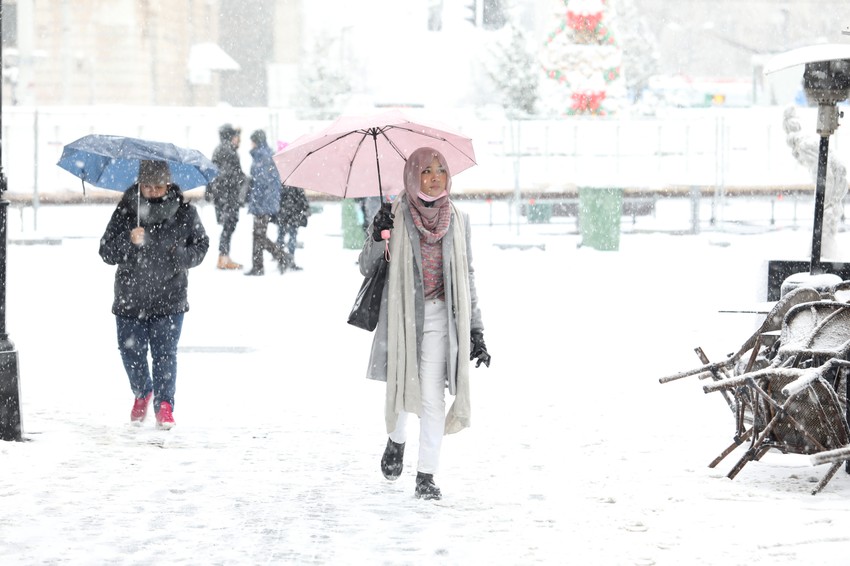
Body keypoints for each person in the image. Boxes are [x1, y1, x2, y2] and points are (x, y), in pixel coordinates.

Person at [358, 146, 491, 501]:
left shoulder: (459, 220)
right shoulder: (395, 215)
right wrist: (377, 234)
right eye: (427, 171)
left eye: (441, 171)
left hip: (440, 316)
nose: (434, 179)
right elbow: (366, 265)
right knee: (404, 388)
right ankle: (396, 439)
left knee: (432, 396)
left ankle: (426, 475)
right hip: (402, 315)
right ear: (413, 175)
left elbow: (468, 275)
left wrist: (476, 329)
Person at [98, 160, 209, 429]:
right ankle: (142, 391)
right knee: (130, 354)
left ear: (168, 185)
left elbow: (201, 246)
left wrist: (182, 256)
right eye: (147, 186)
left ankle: (165, 405)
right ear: (139, 185)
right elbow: (105, 251)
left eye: (158, 186)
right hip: (130, 298)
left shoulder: (185, 213)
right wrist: (128, 239)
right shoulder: (126, 211)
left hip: (170, 297)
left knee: (165, 355)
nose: (152, 191)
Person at [246, 129, 291, 275]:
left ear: (256, 141)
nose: (250, 144)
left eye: (252, 141)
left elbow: (262, 183)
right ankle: (258, 266)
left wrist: (257, 201)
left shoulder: (263, 156)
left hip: (262, 202)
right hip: (263, 201)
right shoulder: (264, 155)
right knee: (258, 235)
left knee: (259, 235)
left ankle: (282, 257)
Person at [209, 123, 246, 270]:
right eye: (235, 136)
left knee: (227, 225)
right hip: (228, 196)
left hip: (222, 196)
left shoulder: (219, 150)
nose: (237, 140)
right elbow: (232, 175)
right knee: (229, 225)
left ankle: (223, 257)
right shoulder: (228, 151)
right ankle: (223, 258)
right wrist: (243, 182)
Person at [275, 183, 310, 270]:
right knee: (292, 236)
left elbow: (278, 197)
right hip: (293, 214)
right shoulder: (296, 183)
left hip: (283, 214)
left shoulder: (282, 182)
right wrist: (306, 208)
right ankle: (290, 259)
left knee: (281, 236)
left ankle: (280, 258)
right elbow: (301, 198)